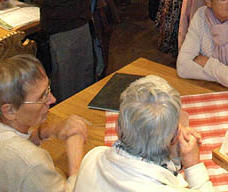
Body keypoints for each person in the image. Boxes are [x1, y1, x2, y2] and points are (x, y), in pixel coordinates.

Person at [0, 54, 87, 192]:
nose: (52, 99)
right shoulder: (31, 162)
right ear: (10, 110)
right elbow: (22, 158)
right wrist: (76, 158)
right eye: (42, 96)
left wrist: (46, 132)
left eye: (48, 89)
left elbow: (12, 145)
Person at [73, 75, 214, 191]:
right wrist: (193, 165)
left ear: (117, 128)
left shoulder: (92, 157)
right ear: (174, 137)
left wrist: (175, 158)